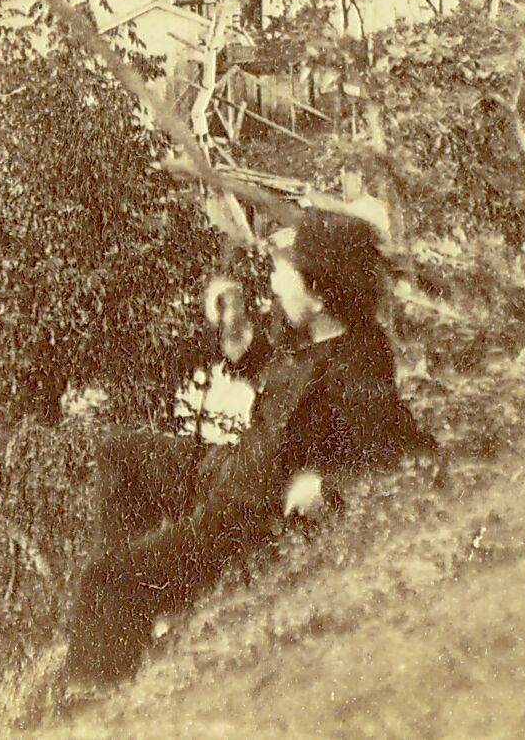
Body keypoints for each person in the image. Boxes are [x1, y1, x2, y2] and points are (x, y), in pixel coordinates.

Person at [64, 210, 434, 684]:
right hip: (228, 473)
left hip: (235, 523)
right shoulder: (324, 338)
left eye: (284, 272)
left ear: (319, 294)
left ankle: (93, 698)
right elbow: (288, 390)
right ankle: (134, 619)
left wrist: (328, 487)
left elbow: (395, 447)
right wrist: (239, 335)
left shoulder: (357, 367)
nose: (274, 284)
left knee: (105, 582)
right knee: (119, 452)